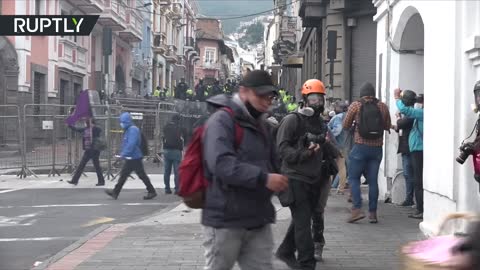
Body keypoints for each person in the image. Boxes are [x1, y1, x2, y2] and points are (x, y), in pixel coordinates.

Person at [202, 70, 288, 270]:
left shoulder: (262, 125)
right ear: (243, 92)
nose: (267, 102)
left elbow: (272, 161)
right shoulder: (222, 120)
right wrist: (264, 178)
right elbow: (221, 164)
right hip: (225, 219)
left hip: (257, 218)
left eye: (270, 97)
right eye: (261, 95)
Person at [275, 79, 339, 269]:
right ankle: (307, 263)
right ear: (304, 100)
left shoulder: (320, 123)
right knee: (303, 223)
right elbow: (282, 150)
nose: (317, 103)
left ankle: (285, 251)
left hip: (314, 179)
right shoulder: (292, 120)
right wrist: (305, 152)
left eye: (320, 99)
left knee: (301, 219)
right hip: (294, 178)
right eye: (313, 99)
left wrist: (327, 147)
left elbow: (328, 148)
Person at [343, 82, 391, 224]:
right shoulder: (382, 106)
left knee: (353, 178)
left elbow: (345, 125)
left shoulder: (355, 105)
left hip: (360, 147)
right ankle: (373, 213)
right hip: (376, 149)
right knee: (373, 181)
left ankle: (357, 209)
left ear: (361, 93)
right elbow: (387, 125)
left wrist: (355, 125)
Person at [105, 112, 157, 200]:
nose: (121, 124)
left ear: (127, 121)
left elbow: (131, 144)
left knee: (136, 175)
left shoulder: (132, 130)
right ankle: (115, 192)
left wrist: (123, 154)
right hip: (132, 156)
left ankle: (151, 191)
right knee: (126, 175)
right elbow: (128, 144)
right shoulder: (130, 129)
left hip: (134, 157)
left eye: (123, 122)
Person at [395, 89, 424, 219]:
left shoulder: (421, 113)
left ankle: (420, 209)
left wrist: (397, 98)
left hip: (418, 150)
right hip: (415, 149)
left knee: (417, 180)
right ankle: (419, 207)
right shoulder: (420, 113)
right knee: (416, 179)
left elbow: (406, 111)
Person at [392, 90, 416, 207]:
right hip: (405, 147)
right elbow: (400, 127)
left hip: (408, 148)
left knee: (408, 174)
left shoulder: (411, 114)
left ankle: (410, 198)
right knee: (408, 174)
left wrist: (398, 116)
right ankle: (409, 197)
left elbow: (401, 124)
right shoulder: (410, 114)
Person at [67, 119, 105, 186]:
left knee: (97, 166)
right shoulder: (86, 129)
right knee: (81, 165)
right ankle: (74, 180)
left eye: (86, 123)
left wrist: (92, 127)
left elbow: (99, 131)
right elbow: (77, 129)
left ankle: (101, 181)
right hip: (88, 150)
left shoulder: (96, 129)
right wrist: (70, 125)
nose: (85, 124)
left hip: (94, 150)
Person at [328, 102, 349, 194]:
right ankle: (341, 189)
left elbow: (337, 130)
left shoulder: (338, 117)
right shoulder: (348, 116)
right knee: (342, 168)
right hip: (345, 145)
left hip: (335, 145)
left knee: (329, 166)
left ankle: (327, 188)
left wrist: (329, 135)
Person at [162, 114, 185, 194]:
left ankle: (167, 188)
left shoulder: (166, 127)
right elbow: (182, 138)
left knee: (166, 171)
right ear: (178, 120)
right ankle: (177, 189)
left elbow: (163, 136)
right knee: (177, 172)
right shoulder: (179, 128)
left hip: (166, 150)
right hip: (176, 151)